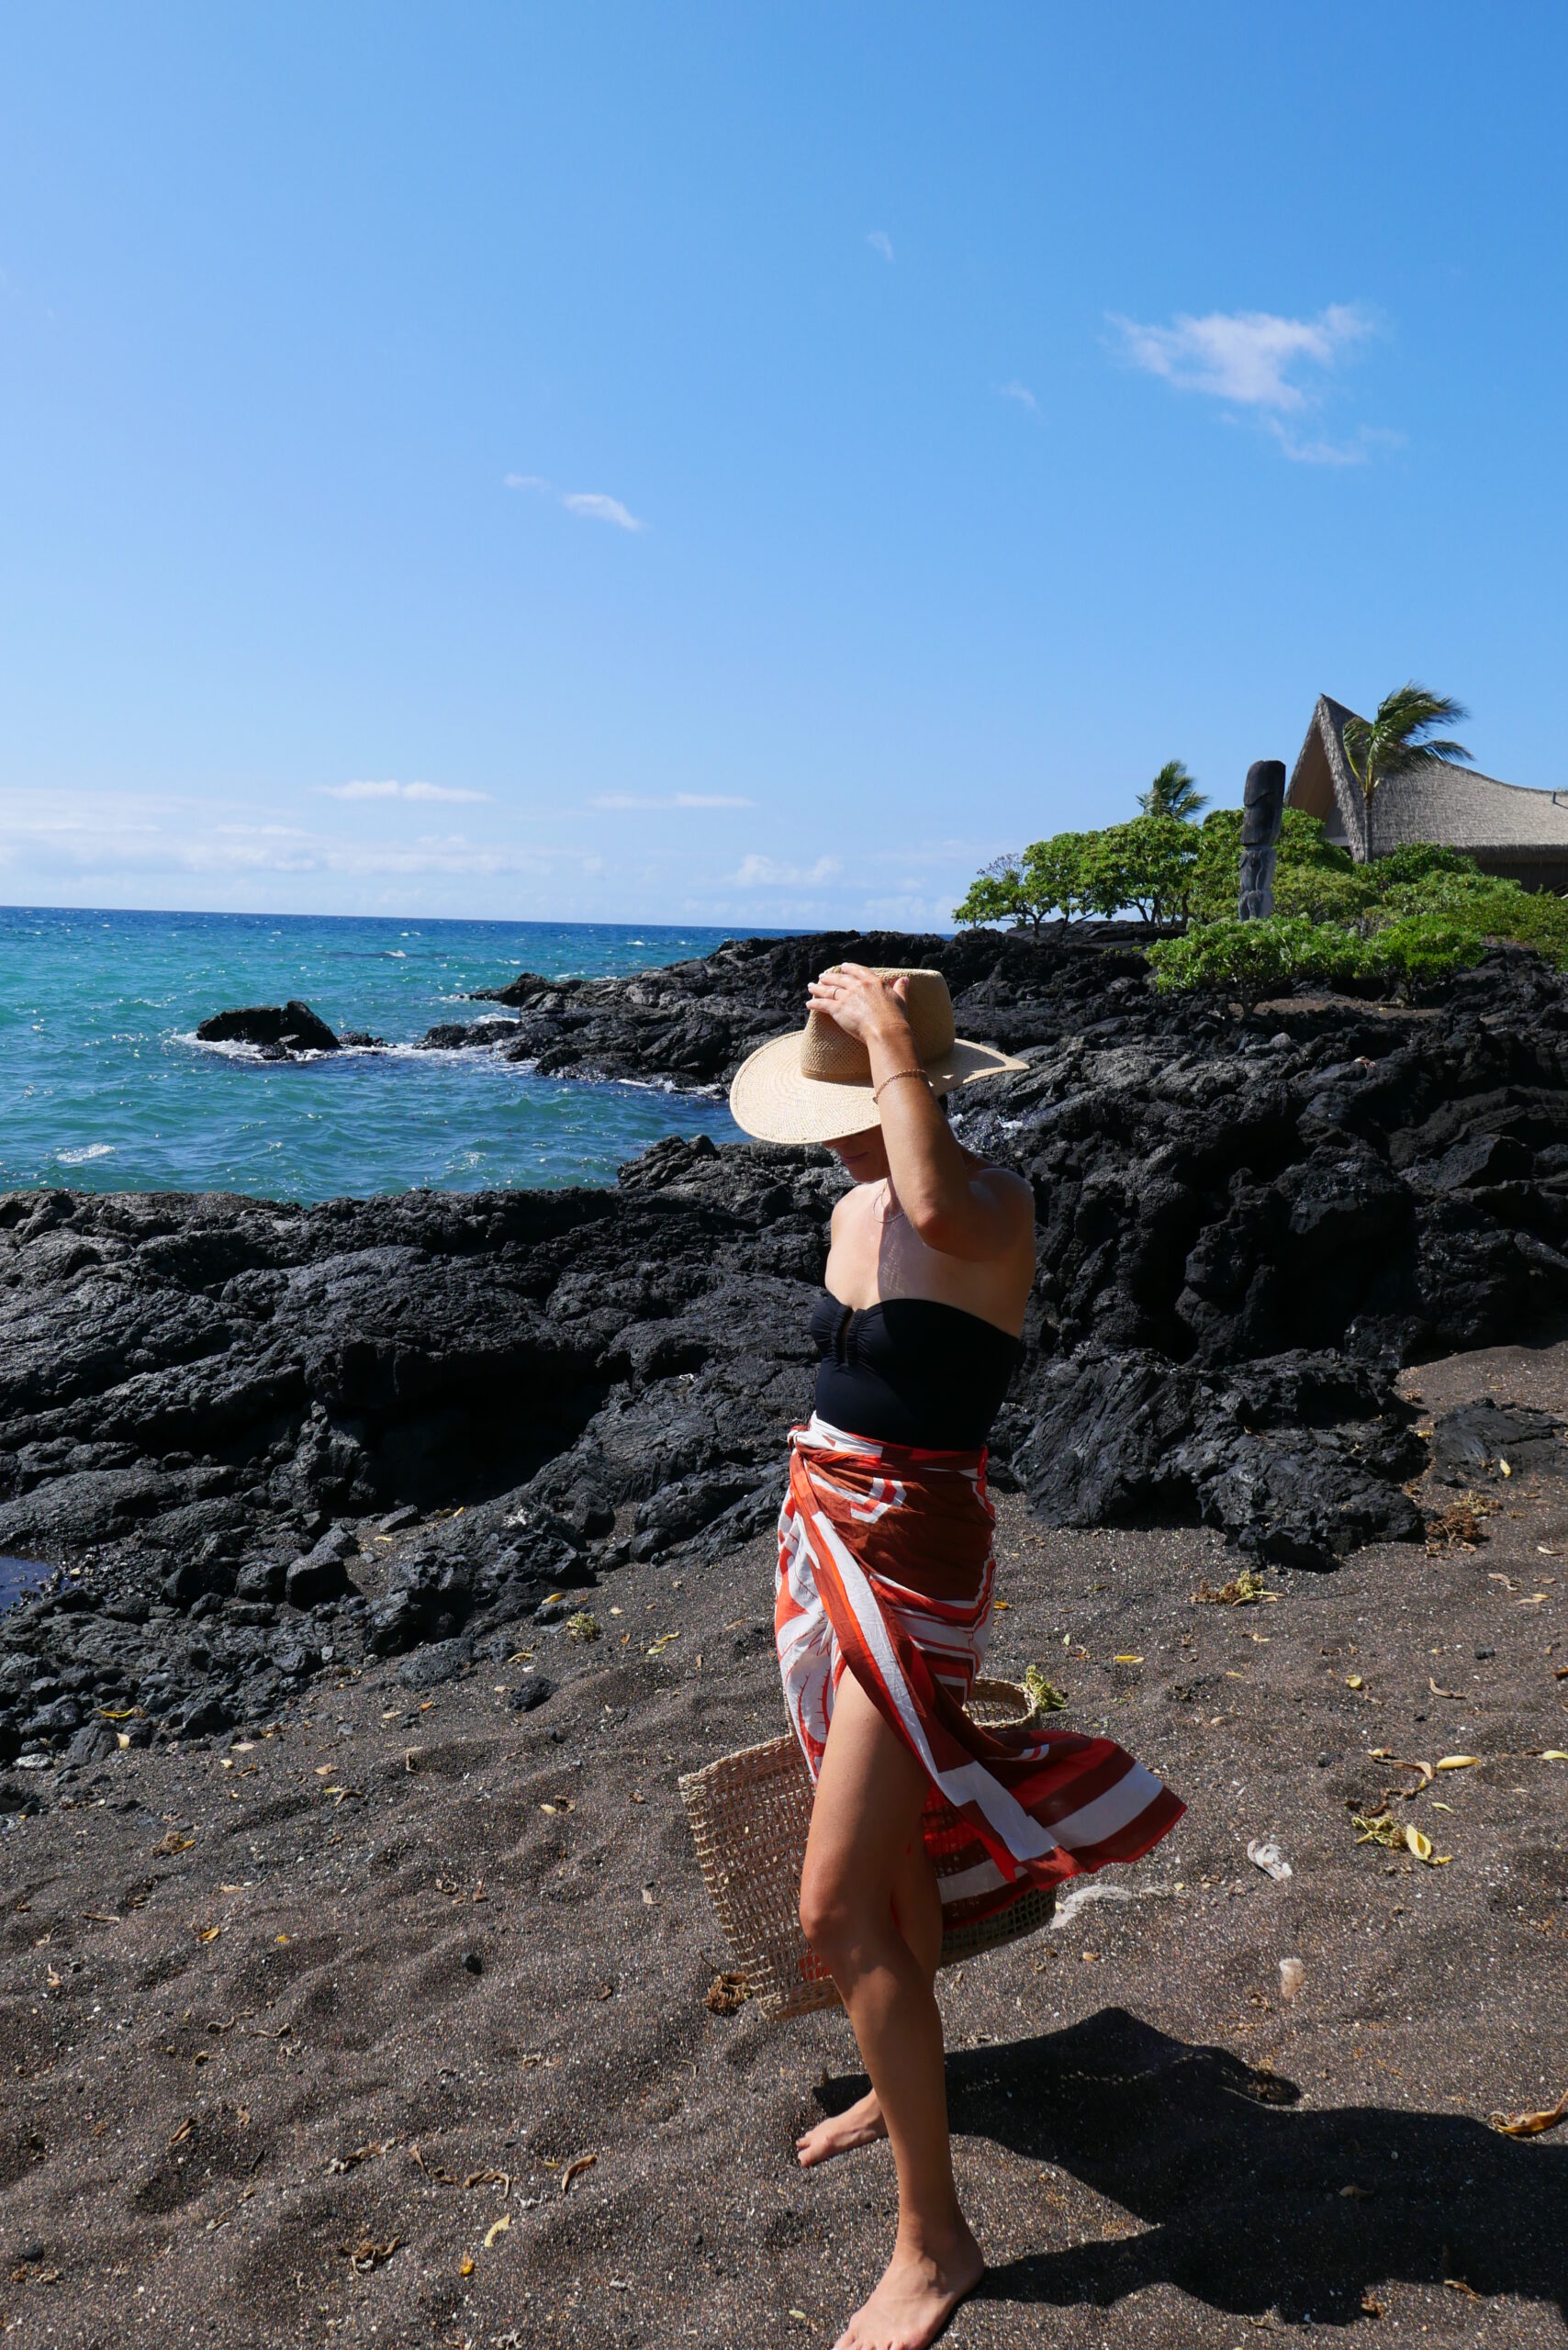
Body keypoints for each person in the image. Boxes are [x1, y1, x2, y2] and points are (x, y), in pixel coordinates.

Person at [728, 962, 1184, 2350]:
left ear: (914, 1085)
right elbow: (847, 1370)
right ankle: (896, 2073)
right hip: (827, 1537)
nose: (849, 1135)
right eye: (840, 1109)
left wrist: (881, 1042)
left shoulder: (985, 1206)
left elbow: (934, 1203)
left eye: (862, 1101)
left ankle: (937, 2246)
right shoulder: (851, 1204)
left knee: (828, 1915)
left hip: (917, 1561)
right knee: (893, 1858)